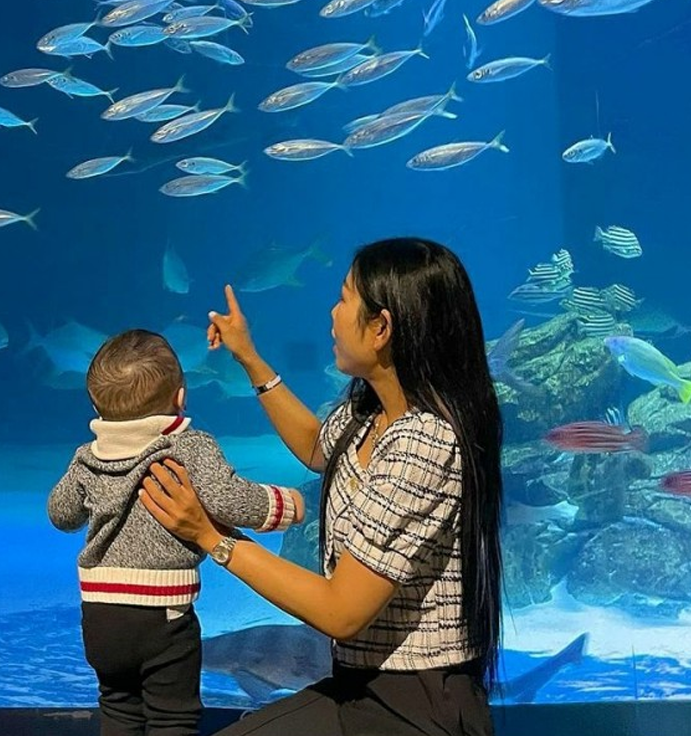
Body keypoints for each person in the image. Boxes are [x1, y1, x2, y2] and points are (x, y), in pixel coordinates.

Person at [138, 238, 503, 736]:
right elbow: (317, 448)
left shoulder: (423, 444)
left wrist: (213, 538)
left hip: (415, 703)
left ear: (381, 328)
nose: (331, 313)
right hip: (357, 682)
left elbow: (340, 611)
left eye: (344, 298)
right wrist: (249, 357)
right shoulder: (369, 410)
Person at [47, 328, 306, 736]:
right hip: (162, 615)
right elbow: (227, 501)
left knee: (118, 708)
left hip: (100, 614)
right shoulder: (189, 446)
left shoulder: (86, 457)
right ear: (181, 398)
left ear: (95, 404)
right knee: (173, 717)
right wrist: (288, 506)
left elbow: (60, 515)